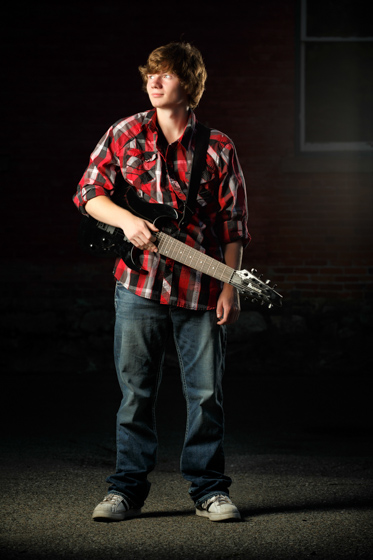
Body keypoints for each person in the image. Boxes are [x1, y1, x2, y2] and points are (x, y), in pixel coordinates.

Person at [73, 41, 249, 522]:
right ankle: (125, 491)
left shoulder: (218, 146)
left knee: (207, 395)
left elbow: (233, 223)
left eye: (166, 75)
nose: (154, 81)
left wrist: (230, 285)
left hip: (201, 289)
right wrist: (127, 221)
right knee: (135, 394)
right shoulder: (125, 132)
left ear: (188, 85)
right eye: (151, 73)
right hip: (138, 284)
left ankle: (209, 490)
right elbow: (88, 192)